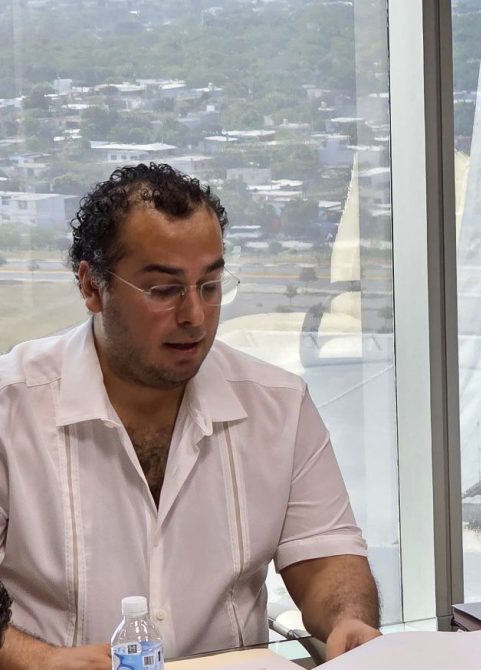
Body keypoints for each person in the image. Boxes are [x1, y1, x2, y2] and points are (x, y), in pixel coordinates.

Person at [0, 163, 381, 669]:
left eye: (210, 285)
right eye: (164, 290)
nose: (194, 316)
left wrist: (347, 620)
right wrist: (39, 660)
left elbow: (325, 557)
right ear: (92, 286)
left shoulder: (279, 405)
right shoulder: (11, 407)